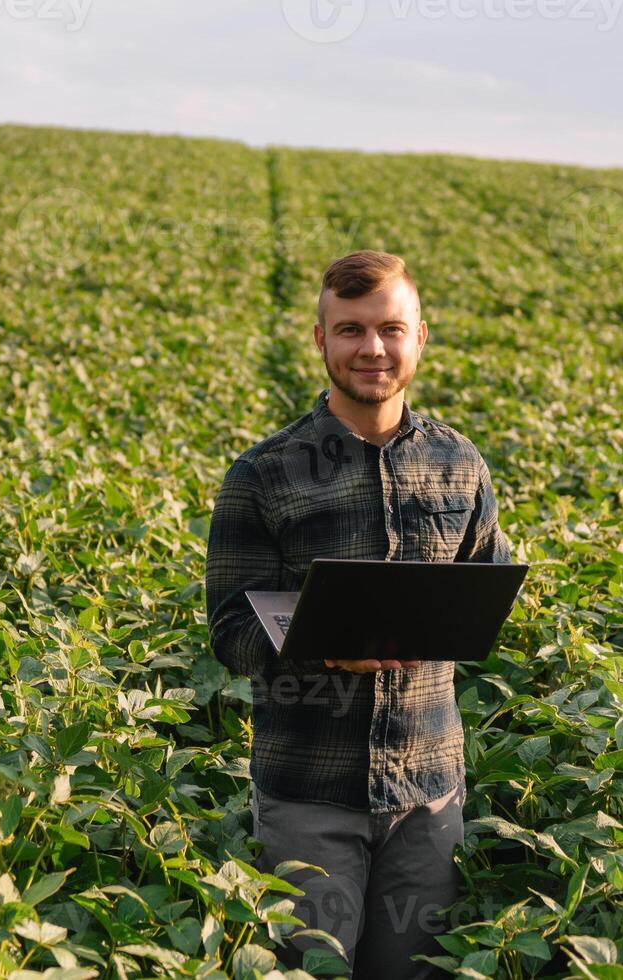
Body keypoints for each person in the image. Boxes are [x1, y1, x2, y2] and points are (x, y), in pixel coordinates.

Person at [204, 250, 513, 979]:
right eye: (350, 330)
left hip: (428, 792)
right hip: (309, 790)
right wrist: (321, 643)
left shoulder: (459, 464)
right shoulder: (263, 475)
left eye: (389, 329)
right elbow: (229, 632)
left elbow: (487, 588)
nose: (372, 349)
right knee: (311, 969)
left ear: (419, 338)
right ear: (320, 340)